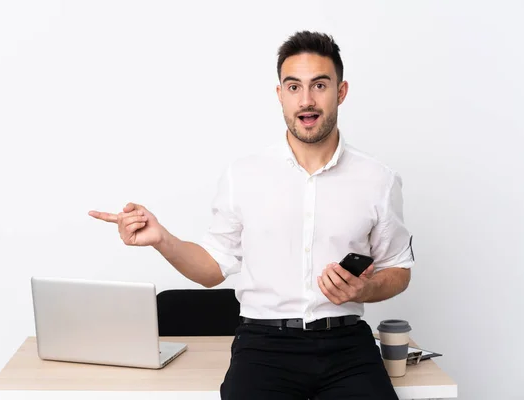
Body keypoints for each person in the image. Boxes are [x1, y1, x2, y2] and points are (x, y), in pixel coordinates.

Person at [89, 30, 415, 400]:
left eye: (319, 85)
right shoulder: (242, 175)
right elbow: (212, 269)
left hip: (346, 344)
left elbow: (398, 269)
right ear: (280, 95)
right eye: (293, 87)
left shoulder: (379, 180)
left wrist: (367, 287)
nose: (306, 100)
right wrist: (162, 239)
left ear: (341, 92)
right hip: (264, 347)